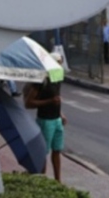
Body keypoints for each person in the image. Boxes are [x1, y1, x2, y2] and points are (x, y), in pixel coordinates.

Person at [24, 52, 67, 182]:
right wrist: (49, 102)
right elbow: (29, 103)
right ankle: (42, 181)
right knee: (43, 153)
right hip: (45, 121)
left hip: (56, 120)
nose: (60, 66)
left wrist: (60, 113)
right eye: (58, 63)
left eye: (61, 63)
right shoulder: (41, 80)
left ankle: (57, 181)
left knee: (57, 150)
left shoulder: (58, 77)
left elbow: (56, 98)